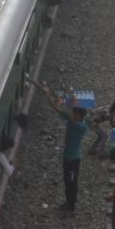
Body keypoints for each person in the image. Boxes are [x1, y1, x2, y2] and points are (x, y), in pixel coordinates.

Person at [34, 83, 89, 215]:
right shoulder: (73, 120)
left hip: (74, 159)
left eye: (75, 113)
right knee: (67, 181)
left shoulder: (81, 127)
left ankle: (71, 206)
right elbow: (56, 107)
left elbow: (63, 111)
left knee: (72, 182)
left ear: (80, 117)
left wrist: (63, 96)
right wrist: (47, 94)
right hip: (67, 157)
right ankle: (68, 202)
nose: (72, 114)